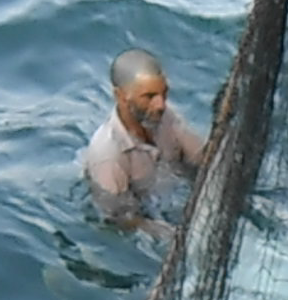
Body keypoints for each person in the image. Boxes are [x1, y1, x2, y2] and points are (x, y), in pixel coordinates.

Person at [83, 48, 205, 236]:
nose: (161, 105)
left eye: (164, 93)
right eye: (148, 97)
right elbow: (121, 219)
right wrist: (173, 235)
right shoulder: (108, 156)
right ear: (121, 97)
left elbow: (202, 158)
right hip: (150, 221)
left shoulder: (165, 116)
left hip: (181, 195)